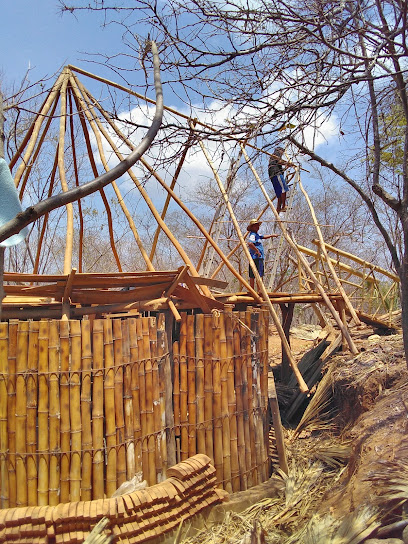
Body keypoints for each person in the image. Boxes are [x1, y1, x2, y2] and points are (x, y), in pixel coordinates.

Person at [246, 219, 278, 290]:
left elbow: (263, 236)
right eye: (255, 226)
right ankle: (259, 290)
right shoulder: (253, 234)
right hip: (256, 257)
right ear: (252, 227)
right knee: (258, 274)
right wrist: (257, 250)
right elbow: (250, 243)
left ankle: (254, 290)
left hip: (255, 257)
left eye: (258, 226)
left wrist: (272, 235)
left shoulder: (257, 234)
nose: (257, 227)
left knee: (254, 274)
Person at [268, 146, 289, 213]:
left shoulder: (272, 160)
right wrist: (286, 163)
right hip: (276, 173)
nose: (282, 153)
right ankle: (284, 205)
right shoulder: (276, 153)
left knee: (279, 193)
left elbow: (279, 165)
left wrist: (286, 167)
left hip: (272, 175)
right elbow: (279, 161)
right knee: (284, 188)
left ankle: (278, 208)